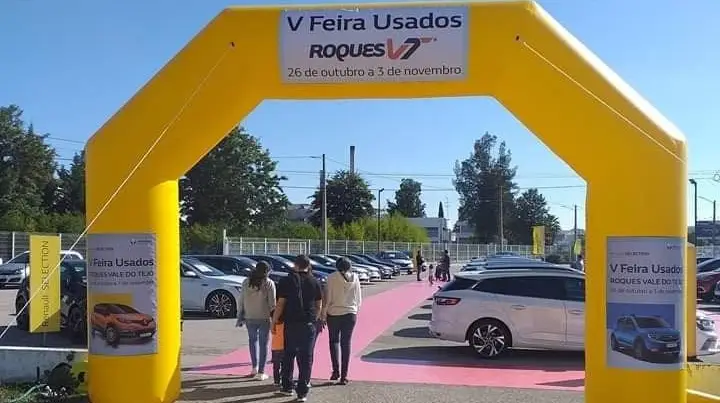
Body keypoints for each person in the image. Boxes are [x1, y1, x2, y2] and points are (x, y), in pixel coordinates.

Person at [271, 254, 324, 402]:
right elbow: (319, 304)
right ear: (309, 265)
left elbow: (280, 304)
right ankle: (302, 391)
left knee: (289, 355)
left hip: (291, 323)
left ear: (296, 265)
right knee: (306, 357)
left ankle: (287, 386)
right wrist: (314, 318)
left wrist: (274, 321)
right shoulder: (315, 281)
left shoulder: (287, 281)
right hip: (308, 324)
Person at [321, 257, 362, 385]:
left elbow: (327, 298)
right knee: (346, 343)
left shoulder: (331, 278)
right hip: (350, 313)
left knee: (333, 341)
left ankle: (335, 371)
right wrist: (354, 308)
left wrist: (323, 313)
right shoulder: (355, 277)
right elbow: (358, 298)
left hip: (334, 313)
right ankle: (344, 375)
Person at [237, 261, 277, 380]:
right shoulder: (269, 283)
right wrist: (274, 318)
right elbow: (272, 303)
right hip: (264, 317)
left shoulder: (246, 282)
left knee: (252, 341)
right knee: (263, 344)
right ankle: (261, 372)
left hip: (249, 316)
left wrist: (240, 315)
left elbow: (241, 300)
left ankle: (254, 367)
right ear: (267, 271)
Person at [270, 318, 284, 387]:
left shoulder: (274, 324)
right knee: (284, 365)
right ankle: (284, 379)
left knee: (276, 366)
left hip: (275, 348)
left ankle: (276, 381)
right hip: (284, 347)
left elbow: (272, 332)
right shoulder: (286, 324)